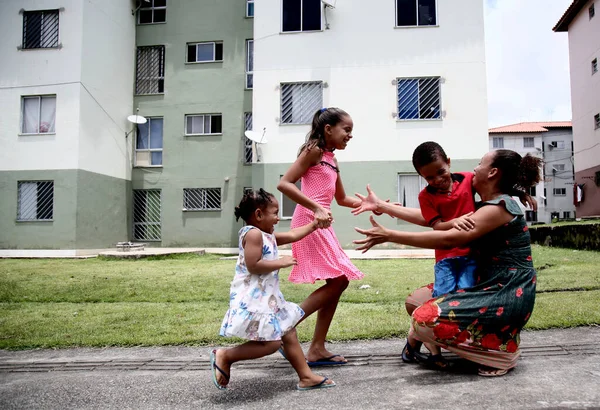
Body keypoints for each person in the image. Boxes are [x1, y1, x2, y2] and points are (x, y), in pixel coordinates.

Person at [354, 150, 542, 376]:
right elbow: (434, 219)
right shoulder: (486, 204)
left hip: (506, 292)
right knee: (416, 302)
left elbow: (449, 237)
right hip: (484, 283)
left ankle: (500, 354)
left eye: (480, 163)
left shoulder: (498, 208)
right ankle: (470, 343)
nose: (475, 168)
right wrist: (383, 206)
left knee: (423, 319)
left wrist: (389, 235)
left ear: (492, 172)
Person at [212, 189, 336, 391]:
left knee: (288, 331)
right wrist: (281, 262)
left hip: (268, 297)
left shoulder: (266, 235)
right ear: (259, 214)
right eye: (275, 213)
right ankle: (226, 355)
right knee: (271, 343)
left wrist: (315, 224)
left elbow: (294, 234)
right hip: (254, 298)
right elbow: (253, 265)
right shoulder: (253, 234)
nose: (278, 218)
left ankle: (306, 376)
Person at [277, 107, 364, 366]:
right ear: (329, 129)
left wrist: (373, 204)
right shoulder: (313, 151)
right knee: (338, 282)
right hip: (309, 221)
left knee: (338, 282)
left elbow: (341, 199)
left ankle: (316, 348)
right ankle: (286, 326)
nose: (350, 135)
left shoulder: (331, 159)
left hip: (322, 223)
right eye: (346, 130)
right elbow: (285, 183)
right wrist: (316, 208)